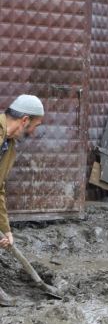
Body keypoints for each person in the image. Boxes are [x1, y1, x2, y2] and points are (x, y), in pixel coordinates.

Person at [0, 95, 44, 306]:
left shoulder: (8, 146)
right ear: (24, 120)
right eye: (34, 126)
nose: (33, 132)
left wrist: (5, 229)